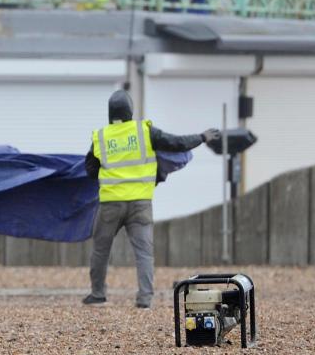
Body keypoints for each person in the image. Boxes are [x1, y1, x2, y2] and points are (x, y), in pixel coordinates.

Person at [83, 90, 219, 309]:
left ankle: (98, 295)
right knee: (144, 253)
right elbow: (176, 143)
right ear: (130, 110)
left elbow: (90, 169)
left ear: (110, 113)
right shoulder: (144, 131)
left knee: (101, 249)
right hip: (141, 204)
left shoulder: (101, 136)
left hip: (110, 204)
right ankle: (145, 298)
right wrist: (202, 137)